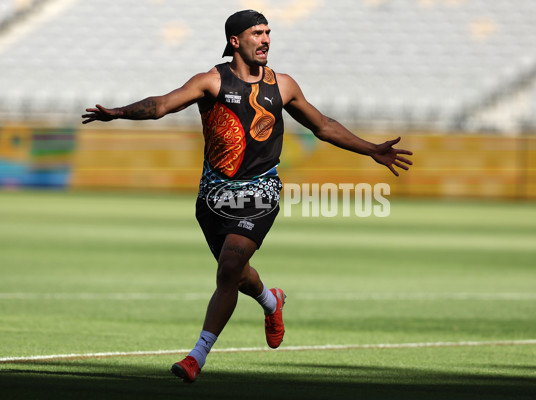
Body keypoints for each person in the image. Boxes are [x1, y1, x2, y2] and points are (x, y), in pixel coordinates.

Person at [82, 9, 413, 383]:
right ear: (236, 41)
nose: (266, 39)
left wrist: (371, 149)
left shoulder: (284, 85)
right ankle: (272, 301)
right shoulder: (211, 82)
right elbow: (161, 105)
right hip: (213, 196)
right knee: (236, 274)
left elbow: (323, 126)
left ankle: (196, 357)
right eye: (257, 33)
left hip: (261, 193)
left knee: (227, 268)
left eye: (268, 32)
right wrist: (118, 113)